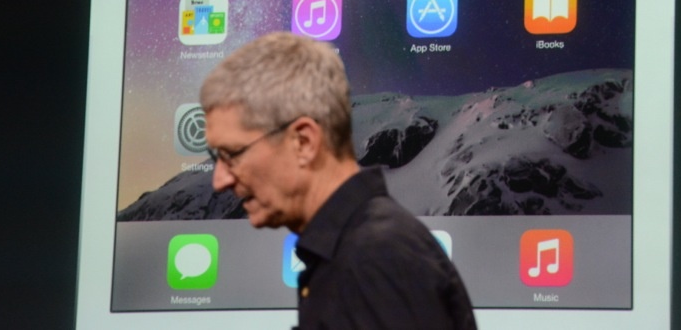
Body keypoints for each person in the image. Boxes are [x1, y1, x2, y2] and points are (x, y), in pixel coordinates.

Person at [201, 32, 477, 330]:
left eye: (232, 154)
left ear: (304, 142)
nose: (220, 181)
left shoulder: (373, 260)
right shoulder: (360, 254)